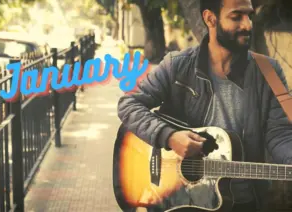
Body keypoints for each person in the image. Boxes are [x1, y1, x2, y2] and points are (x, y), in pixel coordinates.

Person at [117, 0, 292, 211]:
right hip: (182, 199)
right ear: (210, 19)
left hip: (246, 201)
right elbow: (129, 104)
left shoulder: (268, 72)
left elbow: (280, 134)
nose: (247, 25)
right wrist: (169, 136)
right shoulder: (177, 65)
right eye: (237, 17)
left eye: (249, 16)